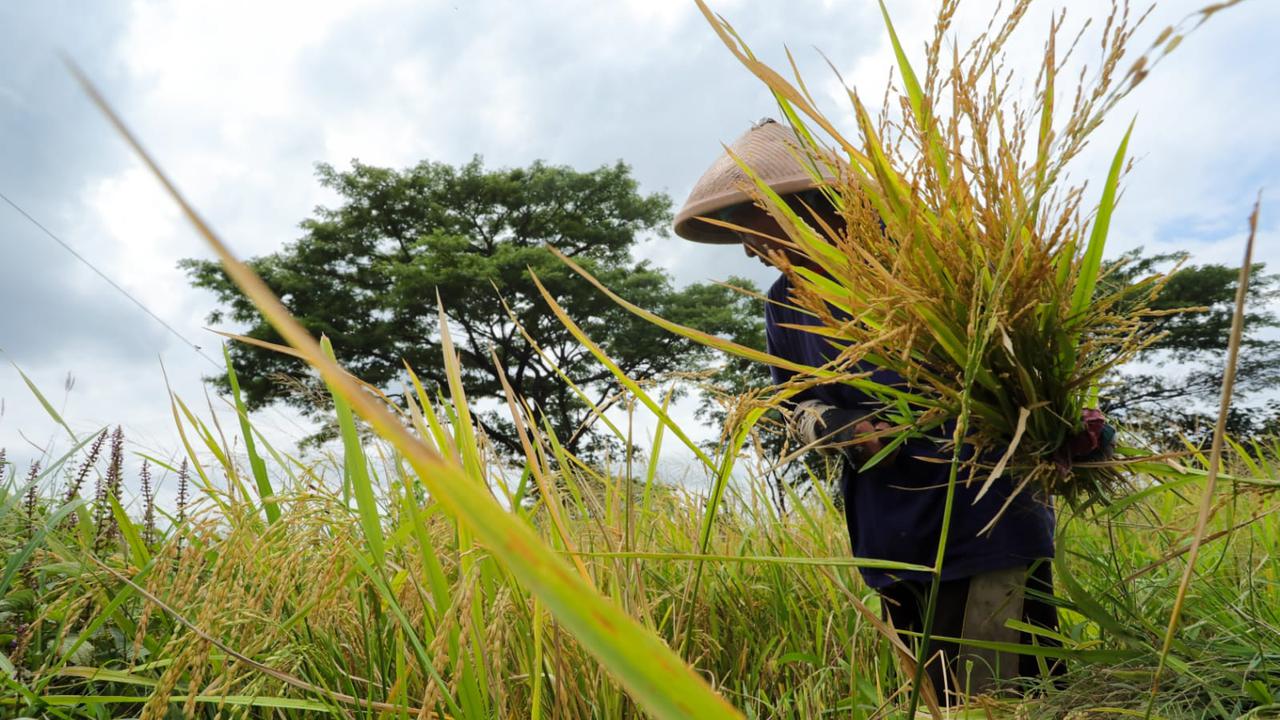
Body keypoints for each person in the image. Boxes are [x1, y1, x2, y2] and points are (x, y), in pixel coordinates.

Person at [673, 118, 1105, 702]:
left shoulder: (934, 264)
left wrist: (1072, 426)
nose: (749, 248)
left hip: (988, 511)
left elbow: (1033, 359)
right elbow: (794, 404)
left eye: (753, 224)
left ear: (809, 205)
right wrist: (834, 425)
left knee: (1004, 694)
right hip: (890, 532)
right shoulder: (784, 304)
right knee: (938, 695)